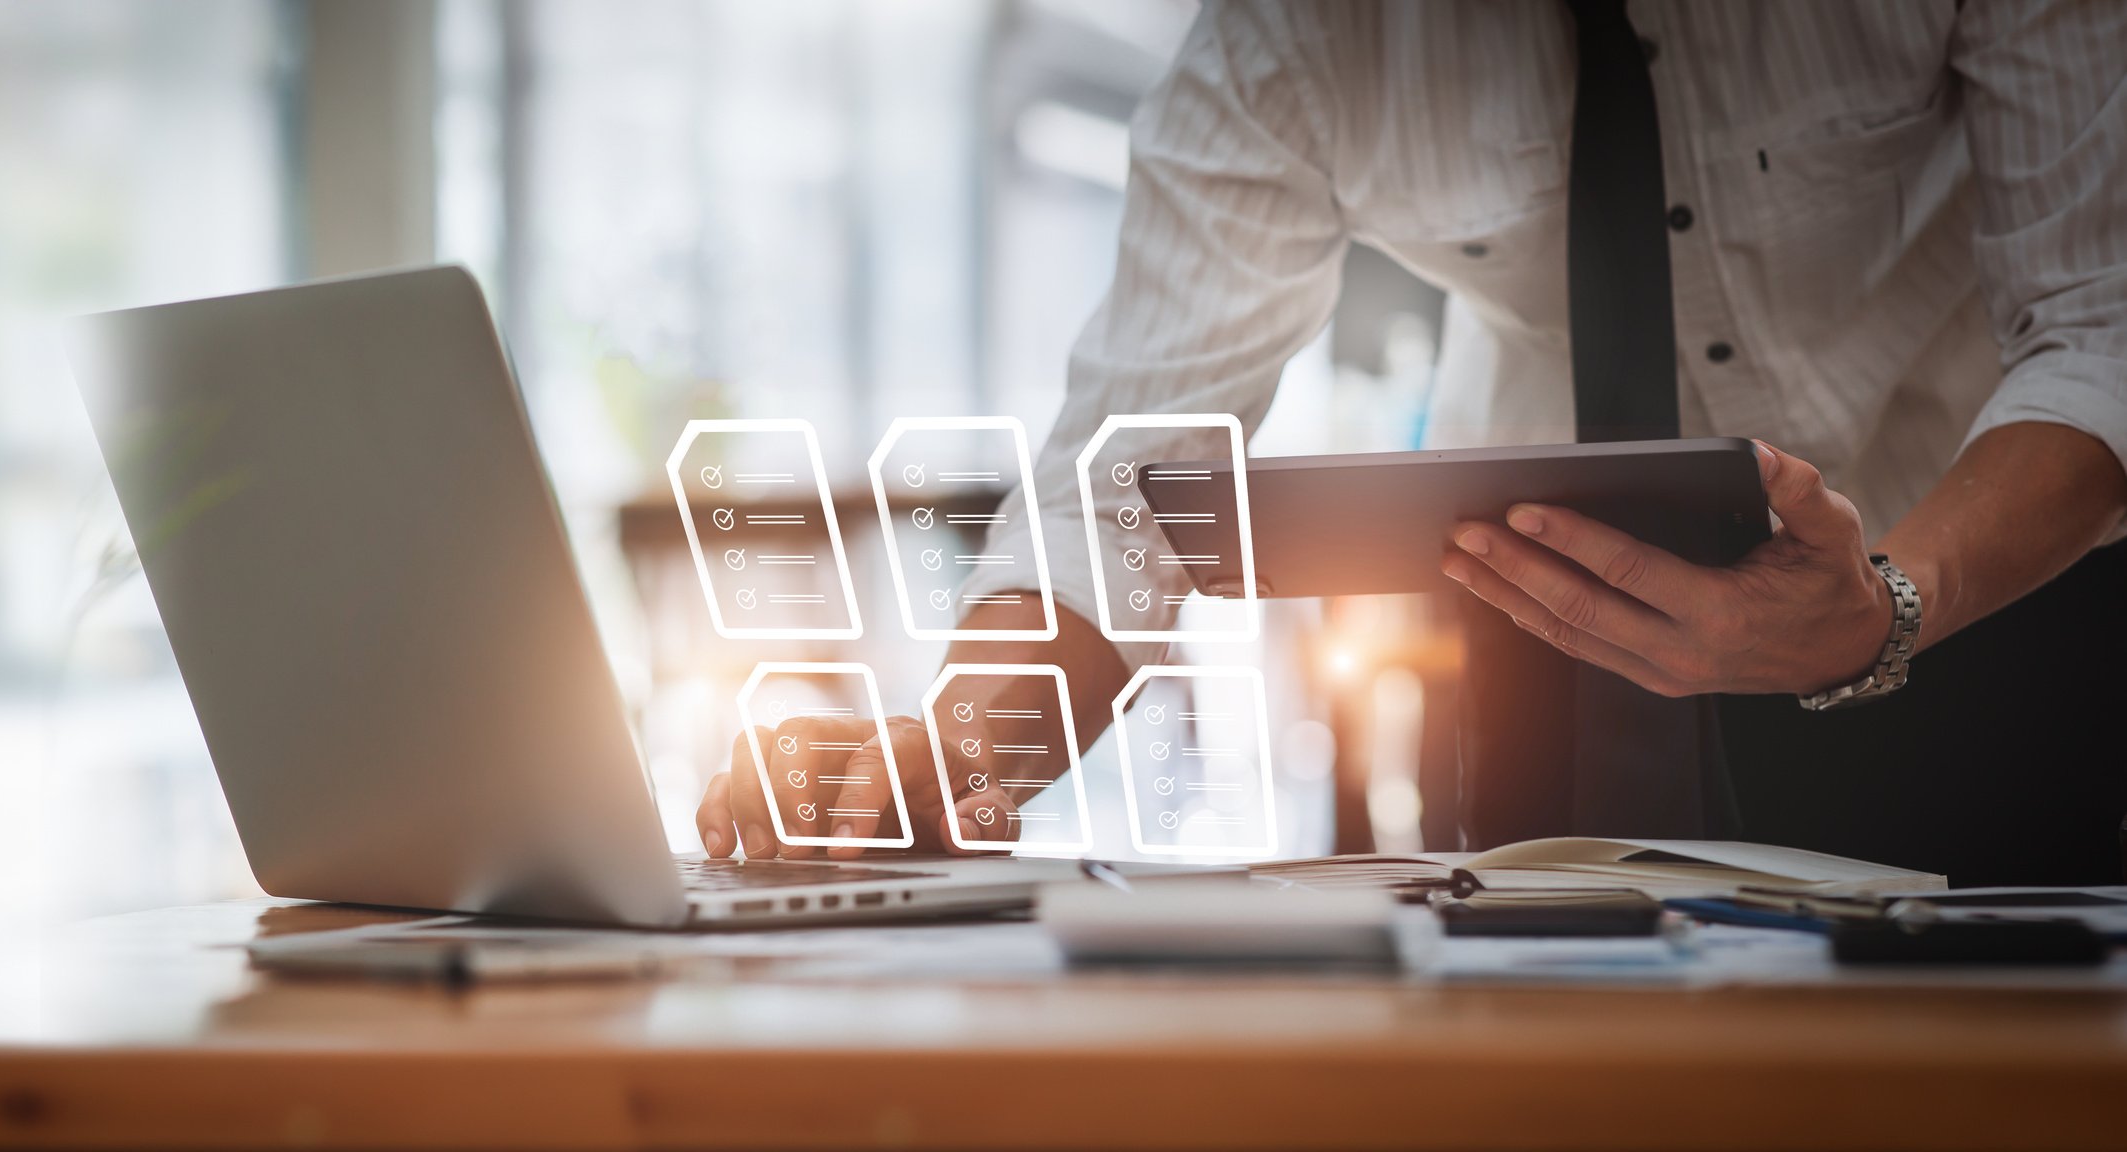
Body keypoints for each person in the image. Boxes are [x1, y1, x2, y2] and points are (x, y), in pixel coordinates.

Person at [697, 0, 2127, 886]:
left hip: (1980, 597)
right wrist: (957, 752)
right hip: (1546, 656)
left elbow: (2103, 325)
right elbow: (1119, 482)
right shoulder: (1292, 36)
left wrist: (1883, 608)